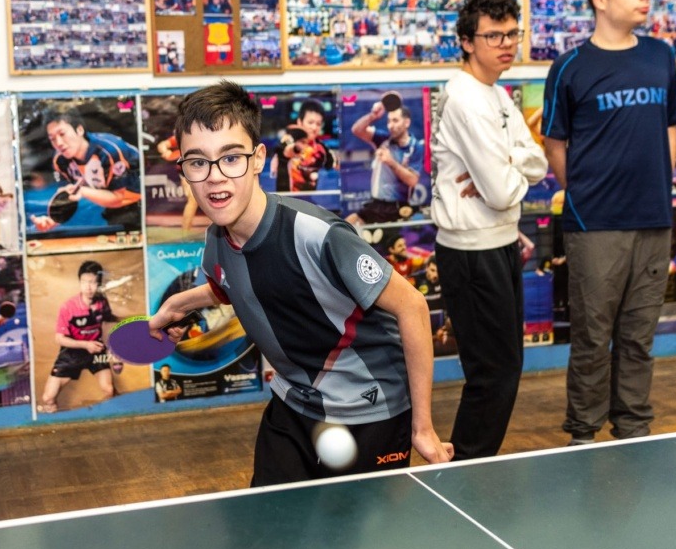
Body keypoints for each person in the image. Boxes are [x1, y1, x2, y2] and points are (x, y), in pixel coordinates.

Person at [148, 80, 452, 487]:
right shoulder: (217, 241)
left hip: (369, 412)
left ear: (258, 159)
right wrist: (181, 303)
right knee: (271, 520)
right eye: (198, 162)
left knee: (358, 530)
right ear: (184, 170)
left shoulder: (316, 234)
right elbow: (236, 285)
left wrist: (423, 427)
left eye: (231, 158)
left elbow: (412, 305)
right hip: (294, 403)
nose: (215, 177)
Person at [542, 0, 676, 445]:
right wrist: (582, 191)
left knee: (638, 339)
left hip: (654, 220)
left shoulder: (661, 56)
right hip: (595, 224)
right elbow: (554, 143)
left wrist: (659, 188)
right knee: (591, 339)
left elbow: (671, 127)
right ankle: (583, 434)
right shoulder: (570, 67)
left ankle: (633, 429)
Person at [431, 0, 547, 460]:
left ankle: (470, 463)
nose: (506, 44)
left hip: (498, 244)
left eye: (512, 34)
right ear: (466, 41)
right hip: (470, 251)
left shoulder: (496, 94)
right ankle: (465, 467)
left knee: (505, 367)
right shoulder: (465, 98)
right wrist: (502, 174)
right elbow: (500, 192)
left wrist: (505, 164)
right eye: (493, 35)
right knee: (493, 373)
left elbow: (537, 161)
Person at [31, 107, 141, 232]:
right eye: (52, 139)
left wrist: (82, 191)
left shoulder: (111, 151)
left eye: (62, 134)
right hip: (114, 211)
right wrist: (52, 220)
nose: (59, 143)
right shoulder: (60, 161)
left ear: (79, 130)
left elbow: (118, 198)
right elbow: (70, 196)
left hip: (145, 206)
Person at [37, 262, 121, 413]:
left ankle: (108, 419)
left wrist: (110, 348)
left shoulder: (102, 303)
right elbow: (59, 338)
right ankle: (55, 421)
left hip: (95, 349)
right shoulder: (68, 307)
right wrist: (85, 345)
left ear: (99, 284)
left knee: (109, 390)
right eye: (84, 282)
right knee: (48, 398)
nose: (88, 287)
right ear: (79, 282)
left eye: (93, 282)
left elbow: (106, 325)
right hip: (72, 351)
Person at [345, 98, 425, 226]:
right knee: (348, 225)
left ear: (407, 123)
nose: (390, 125)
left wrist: (390, 162)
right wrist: (373, 116)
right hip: (376, 204)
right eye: (388, 121)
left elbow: (412, 181)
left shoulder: (416, 147)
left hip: (398, 207)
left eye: (395, 120)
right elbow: (357, 130)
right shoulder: (383, 139)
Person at [271, 100, 335, 193]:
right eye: (310, 122)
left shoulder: (322, 148)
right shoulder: (287, 140)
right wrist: (296, 148)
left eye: (318, 124)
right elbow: (286, 151)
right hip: (287, 197)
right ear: (299, 122)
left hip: (311, 198)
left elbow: (332, 168)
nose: (314, 128)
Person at [157, 134, 199, 233]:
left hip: (206, 168)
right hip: (186, 171)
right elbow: (161, 145)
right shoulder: (183, 134)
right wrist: (166, 152)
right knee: (193, 200)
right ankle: (185, 233)